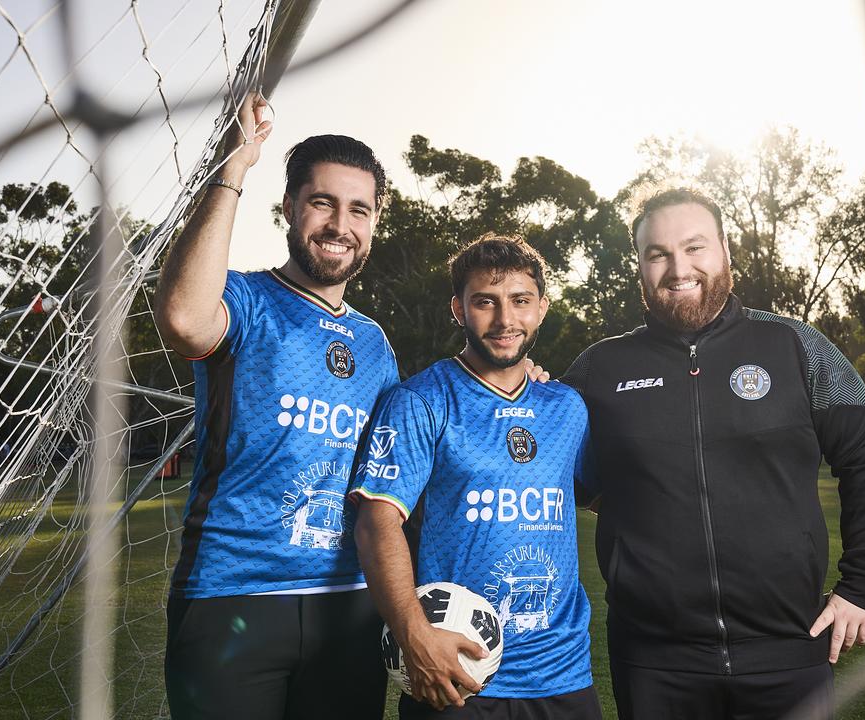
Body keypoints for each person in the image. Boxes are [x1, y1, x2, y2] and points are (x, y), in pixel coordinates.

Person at [562, 189, 865, 719]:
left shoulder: (797, 346)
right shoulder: (598, 369)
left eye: (695, 247)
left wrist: (861, 586)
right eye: (658, 254)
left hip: (790, 651)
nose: (679, 268)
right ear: (641, 268)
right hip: (654, 660)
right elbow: (550, 475)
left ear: (725, 251)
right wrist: (525, 392)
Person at [153, 93, 397, 719]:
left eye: (358, 210)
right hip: (232, 595)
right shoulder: (245, 299)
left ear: (372, 224)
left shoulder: (375, 343)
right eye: (322, 202)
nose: (340, 224)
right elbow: (182, 319)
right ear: (289, 207)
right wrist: (234, 167)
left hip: (347, 604)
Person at [351, 234, 601, 719]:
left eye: (520, 301)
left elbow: (603, 500)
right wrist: (414, 636)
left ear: (542, 308)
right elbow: (375, 524)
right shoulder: (421, 401)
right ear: (458, 309)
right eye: (485, 302)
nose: (506, 320)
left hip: (564, 674)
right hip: (459, 673)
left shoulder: (567, 407)